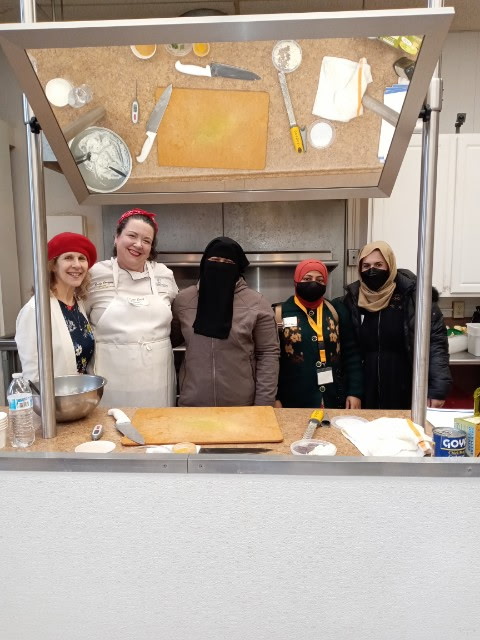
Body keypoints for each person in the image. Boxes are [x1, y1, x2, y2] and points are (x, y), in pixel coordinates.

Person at [339, 240, 451, 409]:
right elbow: (350, 349)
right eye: (366, 266)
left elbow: (436, 343)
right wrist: (353, 389)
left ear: (390, 265)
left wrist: (437, 389)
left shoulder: (415, 297)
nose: (372, 270)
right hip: (367, 385)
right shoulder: (353, 299)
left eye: (378, 264)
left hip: (405, 383)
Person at [171, 236, 280, 407]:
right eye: (214, 260)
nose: (219, 265)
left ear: (237, 267)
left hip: (241, 405)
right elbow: (168, 339)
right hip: (193, 404)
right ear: (204, 263)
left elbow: (268, 354)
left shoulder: (257, 303)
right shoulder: (184, 300)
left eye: (227, 262)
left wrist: (264, 405)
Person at [85, 208, 178, 407]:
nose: (138, 245)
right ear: (116, 237)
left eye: (146, 240)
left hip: (158, 383)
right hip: (110, 383)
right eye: (132, 236)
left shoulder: (164, 275)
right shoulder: (94, 275)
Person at [275, 259, 363, 409]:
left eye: (319, 280)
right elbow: (272, 361)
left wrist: (355, 391)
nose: (313, 283)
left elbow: (352, 354)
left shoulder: (336, 311)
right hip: (292, 400)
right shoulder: (280, 313)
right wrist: (275, 397)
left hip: (333, 397)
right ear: (296, 281)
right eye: (307, 279)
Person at [16, 232, 97, 382]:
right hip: (54, 402)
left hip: (80, 397)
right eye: (68, 258)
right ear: (53, 265)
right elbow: (33, 376)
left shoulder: (78, 305)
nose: (77, 265)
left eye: (82, 258)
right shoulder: (35, 311)